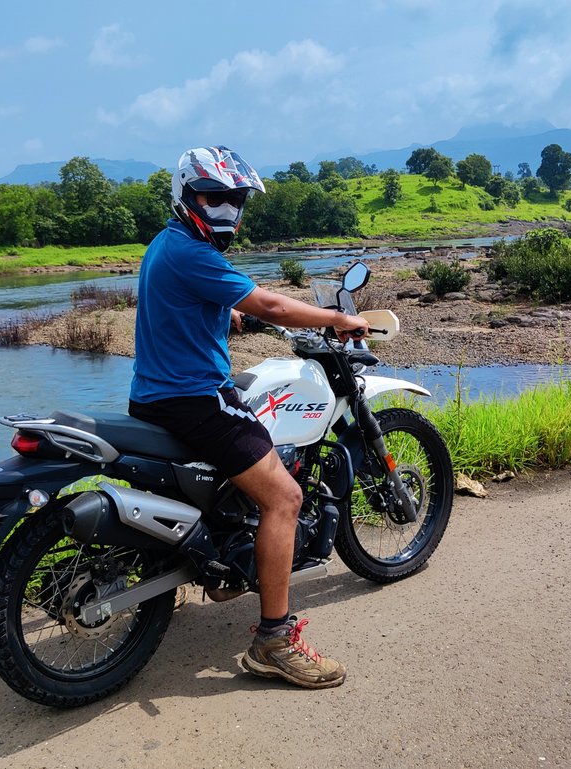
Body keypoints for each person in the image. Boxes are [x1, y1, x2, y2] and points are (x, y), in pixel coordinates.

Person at [128, 146, 369, 689]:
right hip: (193, 399)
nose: (227, 209)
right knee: (285, 496)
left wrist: (230, 315)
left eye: (235, 200)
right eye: (216, 197)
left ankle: (222, 562)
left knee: (251, 446)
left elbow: (191, 306)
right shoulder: (195, 255)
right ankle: (274, 641)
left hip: (152, 395)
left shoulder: (167, 245)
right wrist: (335, 318)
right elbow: (277, 307)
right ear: (187, 195)